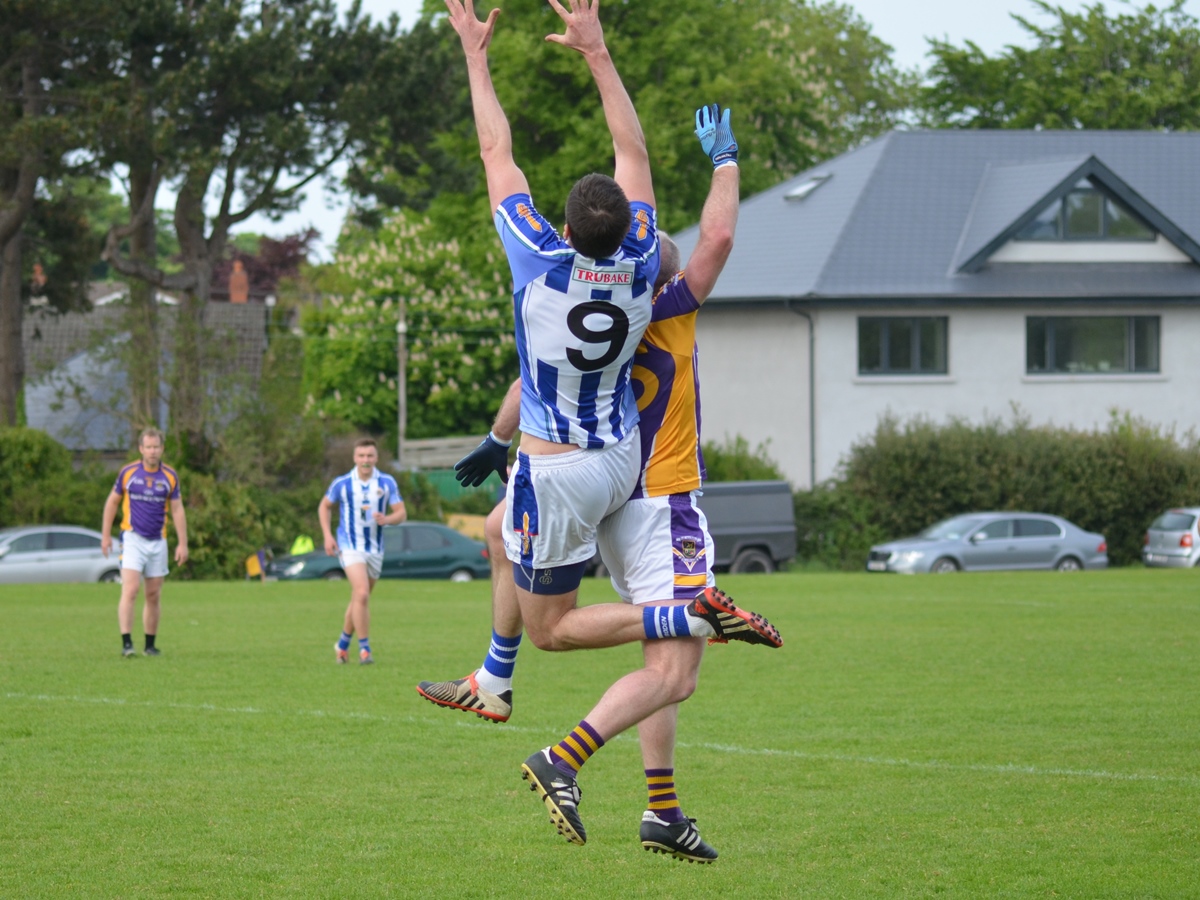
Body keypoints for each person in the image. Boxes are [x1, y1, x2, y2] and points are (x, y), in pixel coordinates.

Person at [419, 97, 747, 860]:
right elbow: (718, 233)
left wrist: (499, 438)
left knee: (504, 528)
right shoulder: (664, 299)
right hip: (655, 492)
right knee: (675, 667)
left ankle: (646, 798)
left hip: (587, 478)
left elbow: (532, 381)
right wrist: (724, 160)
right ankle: (566, 757)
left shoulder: (579, 284)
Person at [101, 427, 188, 658]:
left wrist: (183, 543)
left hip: (158, 541)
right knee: (130, 590)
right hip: (132, 538)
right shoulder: (128, 473)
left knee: (153, 594)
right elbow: (112, 503)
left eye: (156, 447)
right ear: (141, 449)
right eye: (148, 447)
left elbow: (178, 510)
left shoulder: (169, 476)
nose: (152, 451)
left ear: (162, 449)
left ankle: (150, 645)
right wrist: (105, 535)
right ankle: (127, 643)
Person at [318, 438, 406, 664]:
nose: (365, 460)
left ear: (376, 458)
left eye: (369, 456)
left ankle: (343, 644)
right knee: (362, 593)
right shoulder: (343, 483)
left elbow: (401, 514)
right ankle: (364, 649)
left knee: (360, 598)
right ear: (354, 458)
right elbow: (324, 506)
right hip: (349, 546)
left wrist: (386, 519)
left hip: (375, 548)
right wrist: (328, 536)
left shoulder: (387, 482)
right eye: (361, 456)